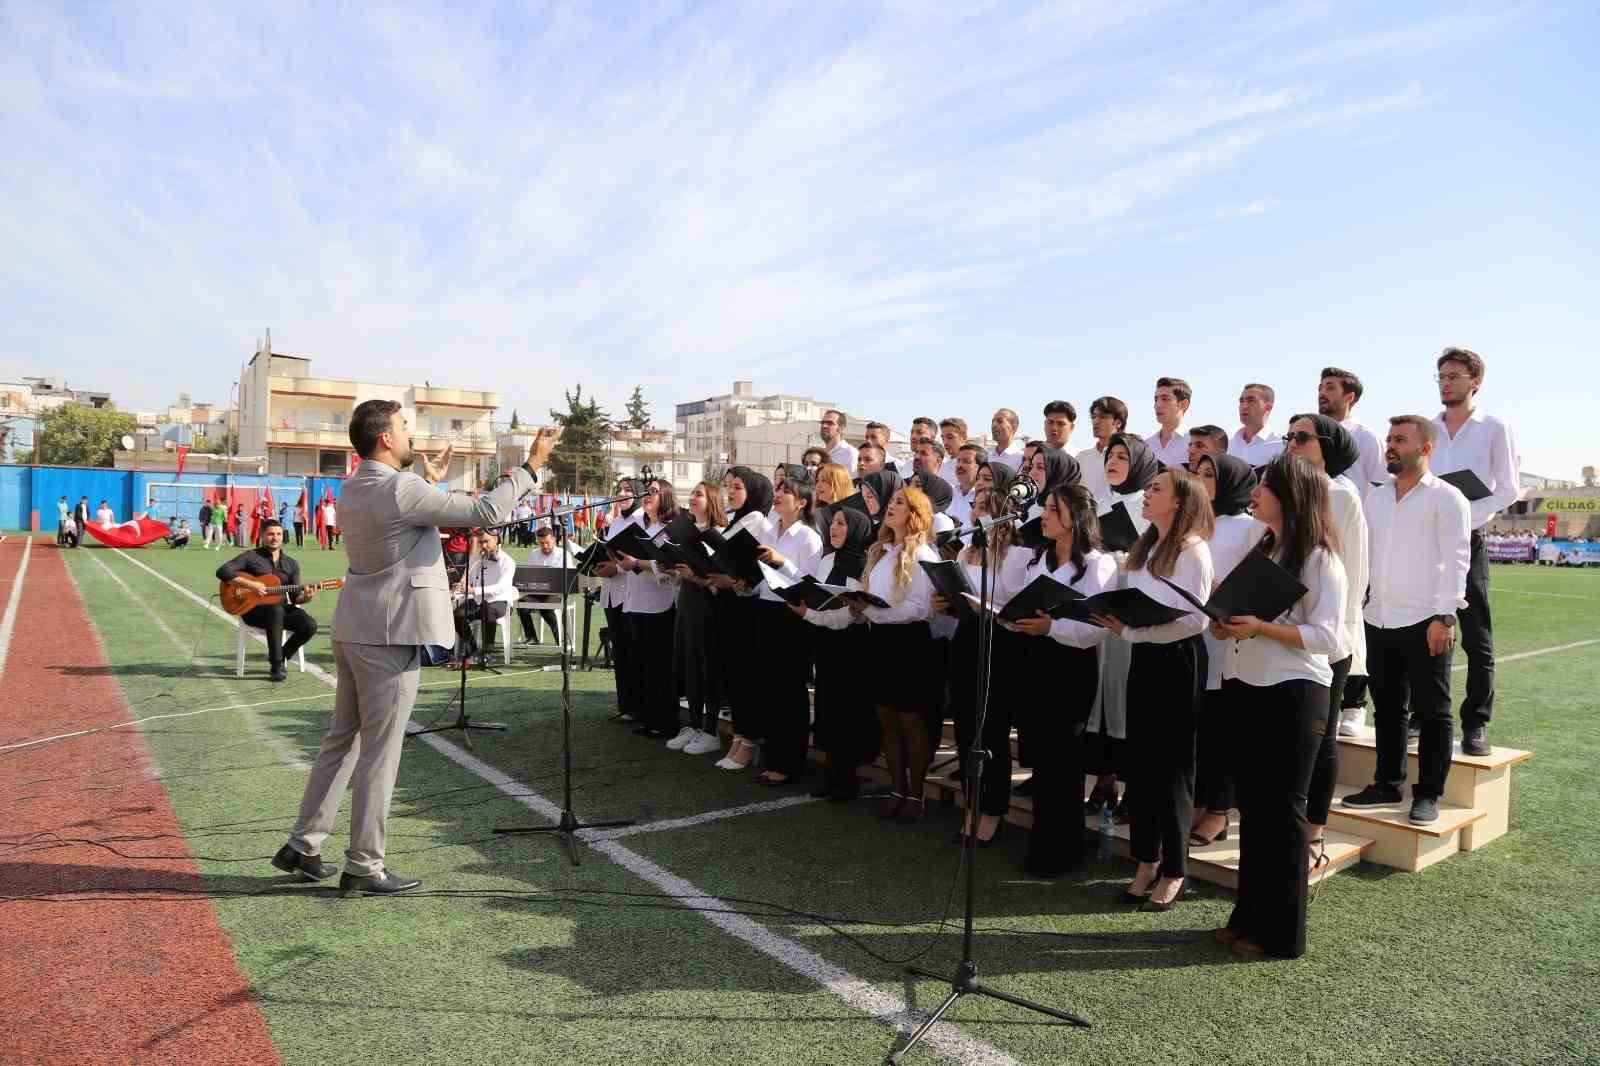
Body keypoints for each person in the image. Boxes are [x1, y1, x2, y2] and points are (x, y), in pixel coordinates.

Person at [271, 401, 556, 895]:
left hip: (355, 626)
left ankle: (304, 843)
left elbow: (409, 516)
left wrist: (429, 483)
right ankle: (364, 864)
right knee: (379, 753)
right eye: (403, 427)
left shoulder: (356, 484)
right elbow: (485, 512)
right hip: (390, 632)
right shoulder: (401, 487)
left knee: (341, 742)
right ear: (385, 438)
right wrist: (531, 464)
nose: (410, 434)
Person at [1212, 453, 1348, 959]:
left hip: (1292, 692)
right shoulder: (1264, 544)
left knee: (1283, 812)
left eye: (1265, 484)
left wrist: (1261, 627)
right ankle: (1248, 916)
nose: (1255, 491)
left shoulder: (1320, 557)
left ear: (1291, 494)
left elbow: (1330, 637)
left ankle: (1283, 933)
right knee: (1255, 809)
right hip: (1245, 681)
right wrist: (1223, 622)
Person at [1092, 467, 1213, 913]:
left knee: (1174, 769)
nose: (1147, 494)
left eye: (1157, 489)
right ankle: (1145, 860)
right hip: (1144, 658)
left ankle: (1175, 869)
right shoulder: (1147, 547)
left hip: (1179, 662)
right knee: (1141, 764)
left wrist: (1135, 633)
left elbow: (1196, 619)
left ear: (1180, 500)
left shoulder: (1194, 550)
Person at [1342, 416, 1470, 826]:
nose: (1390, 447)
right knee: (1389, 708)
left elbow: (1456, 560)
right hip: (1377, 617)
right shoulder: (1375, 497)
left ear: (1426, 449)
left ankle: (1429, 793)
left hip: (1427, 620)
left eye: (1400, 440)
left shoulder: (1449, 498)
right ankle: (1387, 784)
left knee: (1433, 712)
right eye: (1389, 439)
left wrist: (1445, 615)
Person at [1011, 485, 1117, 875]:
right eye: (1045, 508)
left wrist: (1050, 626)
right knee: (1041, 757)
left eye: (1054, 509)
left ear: (1075, 516)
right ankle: (1041, 843)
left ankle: (1066, 850)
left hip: (1072, 666)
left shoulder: (1098, 564)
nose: (1045, 514)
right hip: (1036, 659)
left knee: (1065, 759)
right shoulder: (1039, 558)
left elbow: (1094, 629)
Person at [1281, 413, 1370, 870]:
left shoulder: (1341, 494)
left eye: (1302, 437)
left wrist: (1341, 633)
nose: (1292, 444)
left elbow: (1353, 569)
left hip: (1329, 633)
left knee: (1323, 735)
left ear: (1328, 446)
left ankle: (1315, 831)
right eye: (1289, 436)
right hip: (1285, 632)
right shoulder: (1286, 489)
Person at [1428, 347, 1518, 756]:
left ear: (1475, 381)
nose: (1446, 383)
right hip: (1426, 542)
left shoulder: (1494, 427)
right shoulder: (1426, 429)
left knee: (1476, 639)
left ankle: (1476, 723)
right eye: (1442, 376)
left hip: (1470, 540)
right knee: (1422, 634)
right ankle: (1424, 717)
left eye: (1454, 376)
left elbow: (1508, 489)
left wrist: (1462, 514)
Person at [931, 486, 1028, 845]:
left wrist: (985, 605)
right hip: (967, 641)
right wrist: (946, 602)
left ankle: (991, 811)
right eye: (976, 505)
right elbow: (959, 597)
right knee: (966, 730)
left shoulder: (1018, 555)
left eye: (987, 506)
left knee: (992, 734)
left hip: (1001, 644)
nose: (978, 511)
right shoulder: (967, 551)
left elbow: (1017, 604)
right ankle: (971, 805)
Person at [851, 486, 939, 823]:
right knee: (886, 719)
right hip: (880, 641)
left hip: (910, 645)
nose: (891, 507)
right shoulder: (882, 551)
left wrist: (875, 613)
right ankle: (897, 789)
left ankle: (916, 794)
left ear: (915, 513)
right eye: (891, 502)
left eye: (899, 503)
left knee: (912, 723)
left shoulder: (924, 555)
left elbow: (920, 609)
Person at [1082, 432, 1158, 816]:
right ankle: (1104, 779)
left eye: (1122, 457)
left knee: (1127, 693)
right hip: (1104, 602)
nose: (1112, 462)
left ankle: (1133, 786)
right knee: (1102, 690)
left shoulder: (1149, 505)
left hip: (1134, 608)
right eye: (1110, 456)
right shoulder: (1100, 503)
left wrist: (1128, 553)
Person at [1189, 453, 1260, 849]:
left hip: (1227, 640)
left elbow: (1253, 582)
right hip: (1191, 639)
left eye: (1210, 475)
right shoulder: (1196, 523)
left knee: (1221, 732)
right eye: (1197, 473)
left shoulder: (1248, 527)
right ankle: (1200, 801)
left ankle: (1218, 811)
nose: (1201, 480)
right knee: (1198, 728)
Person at [795, 506, 878, 799]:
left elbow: (848, 615)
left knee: (847, 711)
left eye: (842, 524)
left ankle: (847, 779)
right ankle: (832, 774)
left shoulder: (862, 564)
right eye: (833, 523)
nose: (834, 528)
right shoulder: (828, 558)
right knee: (828, 709)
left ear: (855, 529)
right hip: (824, 643)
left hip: (850, 647)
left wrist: (808, 615)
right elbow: (820, 595)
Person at [748, 477, 823, 783]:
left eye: (786, 492)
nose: (777, 496)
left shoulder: (808, 537)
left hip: (792, 613)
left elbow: (810, 582)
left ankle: (790, 763)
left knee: (790, 689)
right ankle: (773, 755)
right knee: (769, 685)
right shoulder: (768, 529)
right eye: (777, 491)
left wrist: (781, 562)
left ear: (802, 503)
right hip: (766, 609)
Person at [710, 468, 774, 770]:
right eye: (727, 487)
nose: (730, 492)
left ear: (754, 491)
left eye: (736, 487)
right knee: (732, 674)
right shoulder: (734, 520)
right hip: (727, 602)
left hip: (747, 608)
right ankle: (738, 737)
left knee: (746, 675)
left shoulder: (759, 521)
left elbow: (757, 566)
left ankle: (749, 741)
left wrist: (739, 580)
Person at [610, 480, 683, 740]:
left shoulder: (670, 529)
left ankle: (665, 721)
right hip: (634, 601)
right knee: (641, 663)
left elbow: (667, 566)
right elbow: (628, 562)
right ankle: (647, 716)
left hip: (658, 605)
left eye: (653, 492)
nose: (647, 496)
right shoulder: (639, 526)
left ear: (666, 497)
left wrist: (637, 563)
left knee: (659, 666)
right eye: (647, 492)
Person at [666, 481, 729, 757]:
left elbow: (721, 580)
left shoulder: (720, 535)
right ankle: (692, 723)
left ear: (712, 500)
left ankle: (711, 729)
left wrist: (699, 578)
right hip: (687, 604)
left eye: (699, 494)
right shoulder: (685, 533)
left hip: (710, 608)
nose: (692, 498)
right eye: (692, 493)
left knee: (708, 668)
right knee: (690, 666)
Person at [216, 518, 320, 681]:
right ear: (262, 535)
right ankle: (276, 666)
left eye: (278, 534)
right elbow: (223, 571)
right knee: (275, 610)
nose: (275, 537)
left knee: (309, 625)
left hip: (280, 609)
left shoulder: (291, 564)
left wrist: (306, 597)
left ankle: (283, 656)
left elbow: (295, 598)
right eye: (270, 534)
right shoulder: (251, 556)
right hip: (252, 610)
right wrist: (251, 585)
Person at [593, 475, 647, 721]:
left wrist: (616, 567)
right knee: (620, 652)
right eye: (620, 489)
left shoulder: (641, 521)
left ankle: (637, 706)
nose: (623, 494)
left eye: (628, 490)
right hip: (612, 593)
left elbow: (636, 558)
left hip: (631, 594)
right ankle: (624, 704)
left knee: (634, 651)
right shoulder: (614, 521)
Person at [451, 528, 517, 666]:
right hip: (477, 601)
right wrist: (456, 591)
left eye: (486, 541)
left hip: (499, 602)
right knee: (457, 615)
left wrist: (473, 590)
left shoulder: (508, 561)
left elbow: (500, 588)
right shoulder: (476, 559)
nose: (483, 546)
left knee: (488, 608)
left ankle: (488, 653)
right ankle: (473, 650)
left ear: (497, 539)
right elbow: (466, 580)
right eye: (480, 543)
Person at [1317, 367, 1384, 493]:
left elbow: (1381, 487)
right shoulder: (1308, 435)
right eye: (1320, 388)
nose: (1322, 393)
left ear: (1349, 397)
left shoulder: (1366, 437)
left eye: (1330, 388)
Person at [517, 524, 574, 646]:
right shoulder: (534, 554)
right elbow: (530, 575)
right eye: (541, 543)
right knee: (521, 605)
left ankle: (560, 641)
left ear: (553, 539)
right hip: (537, 591)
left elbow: (569, 578)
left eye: (547, 542)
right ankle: (532, 637)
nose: (544, 546)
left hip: (557, 593)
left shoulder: (564, 555)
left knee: (545, 609)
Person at [1077, 396, 1128, 499]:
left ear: (1118, 423)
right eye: (1094, 417)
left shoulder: (1131, 457)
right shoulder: (1081, 457)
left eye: (1103, 417)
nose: (1096, 421)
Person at [1230, 383, 1285, 467]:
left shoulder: (1282, 446)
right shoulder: (1228, 447)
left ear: (1268, 407)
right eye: (1241, 401)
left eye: (1251, 400)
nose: (1244, 406)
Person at [1147, 377, 1192, 469]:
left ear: (1184, 404)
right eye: (1156, 399)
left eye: (1165, 399)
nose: (1157, 405)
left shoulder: (1193, 443)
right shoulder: (1146, 446)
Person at [947, 442, 985, 525]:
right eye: (958, 461)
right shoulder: (948, 493)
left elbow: (989, 532)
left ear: (980, 468)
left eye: (966, 461)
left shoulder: (987, 499)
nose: (960, 465)